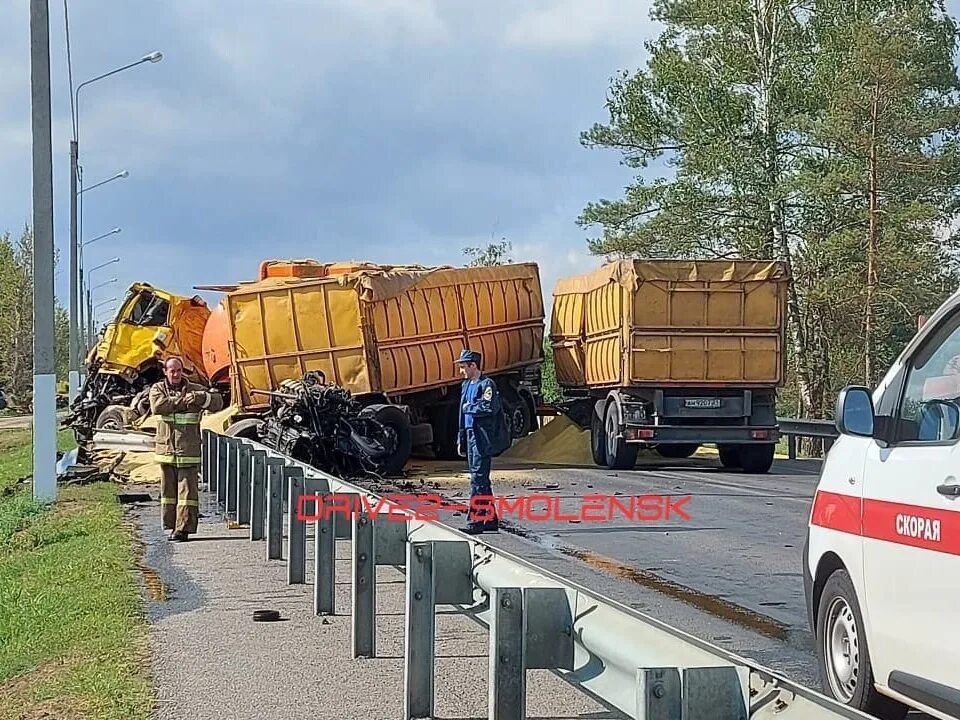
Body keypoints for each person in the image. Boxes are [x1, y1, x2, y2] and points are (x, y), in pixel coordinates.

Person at [149, 356, 223, 541]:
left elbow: (217, 402)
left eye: (178, 370)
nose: (175, 374)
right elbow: (158, 406)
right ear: (165, 371)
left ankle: (183, 530)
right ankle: (171, 525)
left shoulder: (195, 390)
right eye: (172, 370)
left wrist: (201, 398)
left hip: (188, 451)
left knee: (187, 494)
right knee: (169, 493)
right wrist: (184, 402)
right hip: (166, 451)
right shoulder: (157, 389)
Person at [456, 349, 511, 534]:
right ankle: (490, 518)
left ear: (473, 365)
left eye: (463, 367)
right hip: (470, 435)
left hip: (481, 437)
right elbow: (461, 415)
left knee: (477, 479)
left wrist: (469, 407)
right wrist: (460, 437)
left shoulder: (487, 385)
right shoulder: (465, 386)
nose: (461, 371)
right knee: (480, 479)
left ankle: (475, 520)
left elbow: (489, 407)